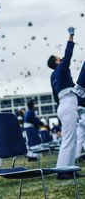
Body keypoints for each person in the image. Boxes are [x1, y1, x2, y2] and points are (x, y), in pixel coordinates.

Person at [47, 27, 79, 180]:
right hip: (68, 102)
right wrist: (71, 36)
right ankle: (61, 171)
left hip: (63, 104)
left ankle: (70, 169)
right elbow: (68, 54)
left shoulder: (53, 75)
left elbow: (54, 96)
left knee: (71, 138)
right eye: (59, 58)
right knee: (68, 138)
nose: (61, 58)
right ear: (56, 61)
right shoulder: (60, 68)